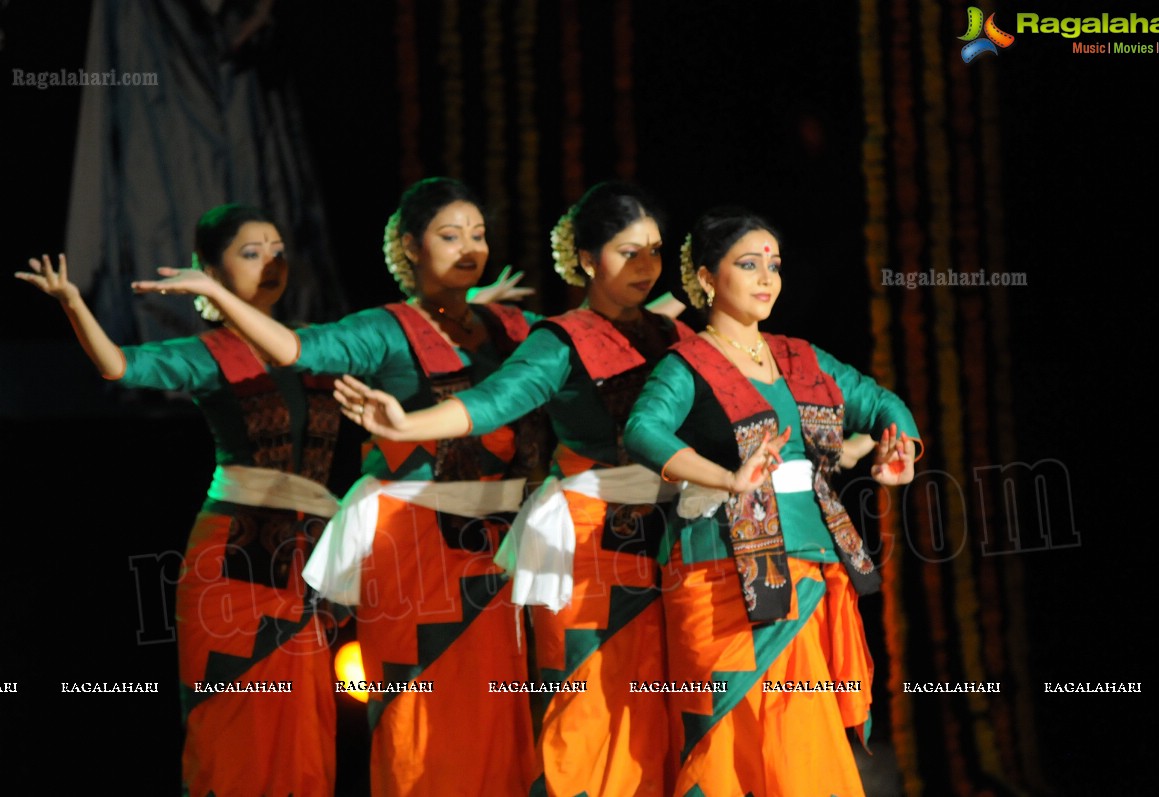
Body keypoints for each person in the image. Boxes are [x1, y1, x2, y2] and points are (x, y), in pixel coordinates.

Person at [139, 177, 543, 796]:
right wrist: (214, 295)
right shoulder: (382, 330)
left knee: (497, 721)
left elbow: (591, 344)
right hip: (407, 547)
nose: (469, 245)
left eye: (478, 234)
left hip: (493, 548)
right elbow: (299, 349)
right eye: (449, 234)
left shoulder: (512, 329)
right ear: (410, 246)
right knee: (422, 719)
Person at [334, 181, 692, 796]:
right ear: (584, 258)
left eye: (654, 252)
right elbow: (494, 400)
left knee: (653, 721)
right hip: (584, 544)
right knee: (586, 717)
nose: (645, 266)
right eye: (627, 251)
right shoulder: (559, 339)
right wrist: (409, 422)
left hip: (664, 542)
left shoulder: (673, 339)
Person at [16, 203, 342, 796]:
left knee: (303, 729)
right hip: (236, 561)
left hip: (307, 560)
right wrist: (72, 302)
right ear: (210, 273)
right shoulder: (212, 352)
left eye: (277, 250)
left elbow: (399, 345)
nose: (270, 262)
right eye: (250, 252)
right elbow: (119, 366)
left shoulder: (315, 348)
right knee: (237, 729)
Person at [621, 206, 922, 797]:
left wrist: (901, 448)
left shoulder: (799, 359)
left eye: (774, 266)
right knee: (726, 749)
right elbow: (641, 431)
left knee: (802, 750)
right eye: (748, 264)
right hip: (720, 574)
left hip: (806, 567)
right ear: (706, 278)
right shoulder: (687, 364)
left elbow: (881, 402)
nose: (766, 278)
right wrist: (728, 478)